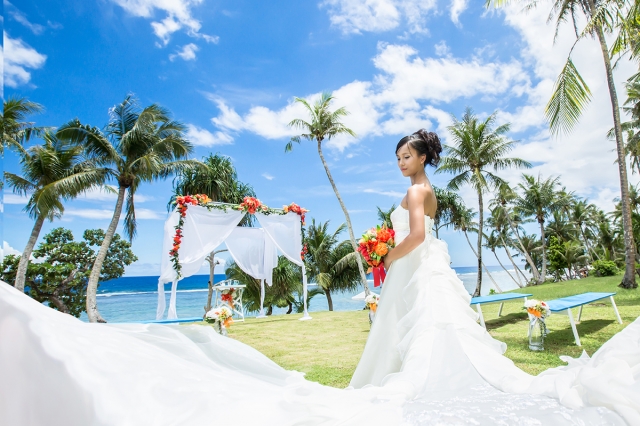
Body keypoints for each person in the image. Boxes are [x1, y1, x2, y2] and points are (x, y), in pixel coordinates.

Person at [1, 130, 639, 425]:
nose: (400, 162)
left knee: (428, 340)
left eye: (406, 154)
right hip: (431, 272)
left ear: (423, 158)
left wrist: (387, 257)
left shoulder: (418, 196)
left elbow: (415, 238)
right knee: (433, 333)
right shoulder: (430, 190)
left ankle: (422, 392)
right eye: (397, 156)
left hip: (417, 267)